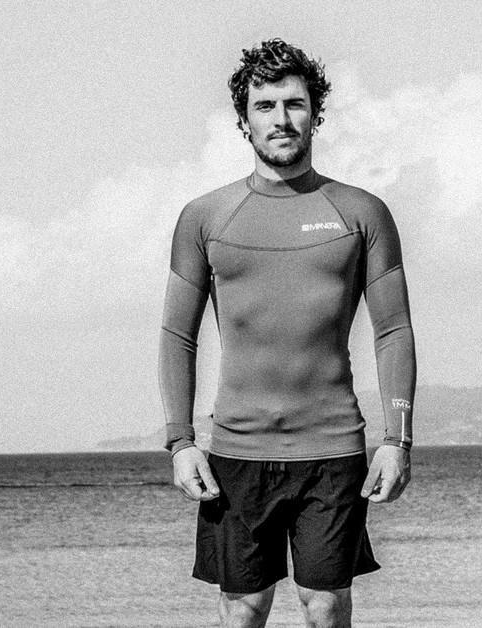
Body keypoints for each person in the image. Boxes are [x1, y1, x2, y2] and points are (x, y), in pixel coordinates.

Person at [159, 38, 416, 628]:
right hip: (236, 451)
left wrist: (397, 439)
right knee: (244, 609)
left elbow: (394, 330)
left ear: (315, 113)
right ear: (244, 120)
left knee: (324, 606)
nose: (281, 118)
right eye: (265, 105)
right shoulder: (205, 217)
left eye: (295, 104)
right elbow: (177, 334)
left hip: (332, 447)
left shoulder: (361, 213)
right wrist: (180, 441)